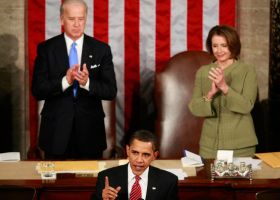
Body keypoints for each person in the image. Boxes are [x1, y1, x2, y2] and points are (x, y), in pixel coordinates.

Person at [31, 0, 117, 160]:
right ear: (61, 19)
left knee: (90, 184)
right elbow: (37, 90)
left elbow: (111, 91)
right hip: (56, 134)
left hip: (90, 133)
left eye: (81, 19)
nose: (77, 24)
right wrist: (66, 81)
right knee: (54, 185)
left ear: (86, 19)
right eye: (71, 19)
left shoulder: (101, 49)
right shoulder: (46, 49)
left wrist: (87, 83)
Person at [188, 25, 258, 159]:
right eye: (215, 46)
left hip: (240, 146)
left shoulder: (247, 71)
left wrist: (224, 87)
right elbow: (194, 108)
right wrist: (209, 95)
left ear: (233, 45)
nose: (219, 50)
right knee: (209, 180)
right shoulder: (203, 72)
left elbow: (246, 106)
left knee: (240, 180)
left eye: (224, 45)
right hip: (209, 146)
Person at [91, 130, 178, 200]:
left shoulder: (168, 181)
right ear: (128, 150)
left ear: (154, 155)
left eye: (146, 155)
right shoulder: (107, 178)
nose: (139, 160)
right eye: (135, 153)